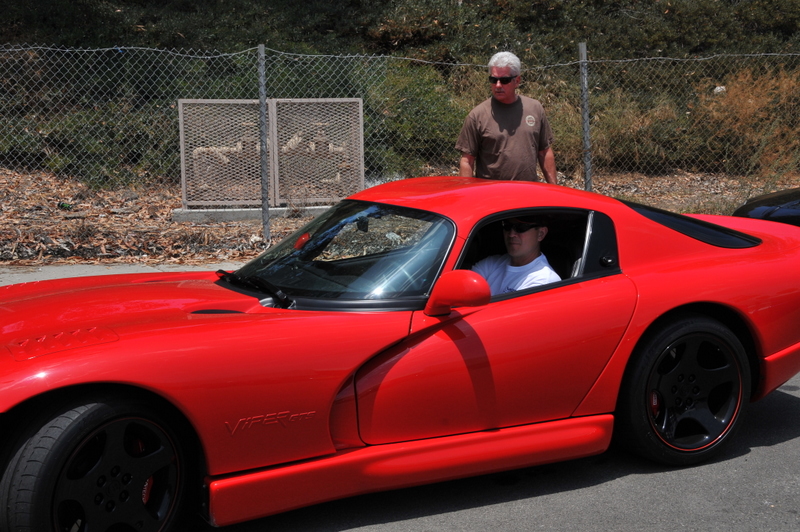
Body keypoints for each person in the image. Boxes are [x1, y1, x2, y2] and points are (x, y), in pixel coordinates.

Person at [456, 51, 557, 184]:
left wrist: (555, 188)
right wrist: (466, 192)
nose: (498, 85)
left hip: (528, 191)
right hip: (492, 192)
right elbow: (467, 160)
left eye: (504, 80)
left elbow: (544, 152)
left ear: (517, 81)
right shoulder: (477, 116)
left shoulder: (535, 109)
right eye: (493, 80)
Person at [472, 216, 561, 295]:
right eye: (507, 226)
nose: (511, 234)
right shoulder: (492, 263)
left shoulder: (544, 281)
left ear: (540, 234)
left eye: (521, 227)